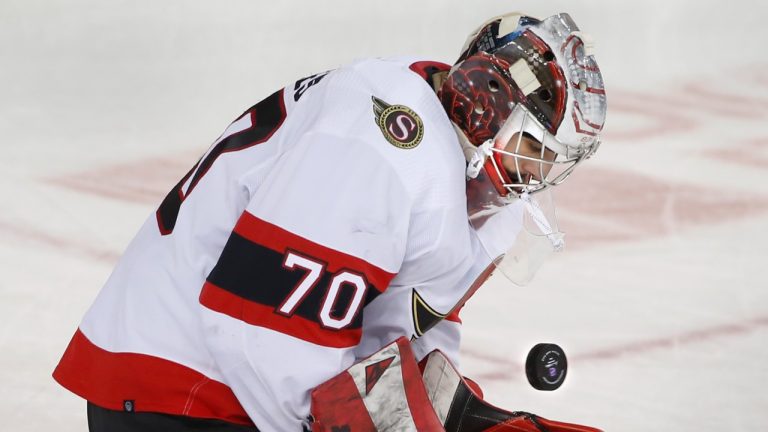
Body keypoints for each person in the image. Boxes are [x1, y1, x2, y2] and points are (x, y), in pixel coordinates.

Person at [53, 10, 606, 432]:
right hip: (178, 385)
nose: (537, 175)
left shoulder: (457, 169)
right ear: (485, 106)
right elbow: (255, 332)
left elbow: (403, 334)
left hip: (236, 384)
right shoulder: (378, 152)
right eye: (534, 149)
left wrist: (447, 416)